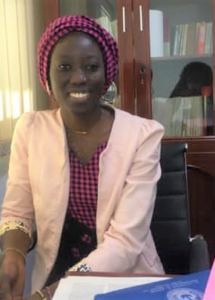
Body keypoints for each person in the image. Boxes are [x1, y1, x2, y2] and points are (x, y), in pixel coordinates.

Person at [0, 15, 164, 300]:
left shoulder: (142, 135)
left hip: (126, 281)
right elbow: (18, 212)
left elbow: (125, 242)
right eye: (64, 66)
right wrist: (13, 255)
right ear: (47, 75)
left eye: (91, 67)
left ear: (106, 75)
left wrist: (56, 292)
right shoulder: (30, 130)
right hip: (55, 275)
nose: (79, 77)